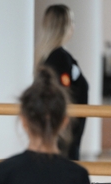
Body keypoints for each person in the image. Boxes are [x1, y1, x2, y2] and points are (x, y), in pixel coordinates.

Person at [35, 4, 89, 160]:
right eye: (71, 21)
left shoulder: (50, 57)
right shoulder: (60, 58)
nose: (74, 26)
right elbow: (61, 94)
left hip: (61, 129)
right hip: (64, 131)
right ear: (64, 26)